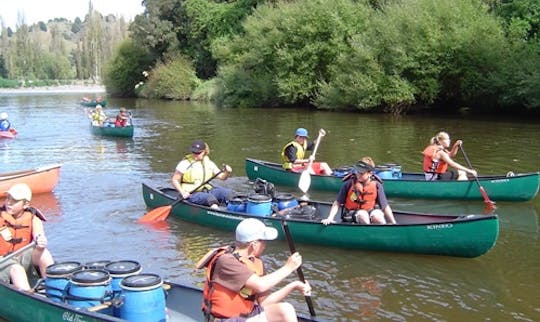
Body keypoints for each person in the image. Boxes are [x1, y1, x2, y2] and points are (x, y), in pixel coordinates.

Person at [197, 218, 311, 322]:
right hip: (225, 320)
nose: (265, 245)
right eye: (263, 241)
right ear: (254, 244)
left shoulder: (255, 263)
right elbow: (260, 285)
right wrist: (288, 267)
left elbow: (265, 303)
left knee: (286, 309)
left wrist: (293, 286)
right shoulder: (227, 261)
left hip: (246, 316)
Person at [0, 183, 54, 291]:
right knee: (17, 270)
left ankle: (53, 289)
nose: (9, 203)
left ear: (25, 204)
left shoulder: (33, 219)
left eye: (14, 200)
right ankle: (29, 299)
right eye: (8, 198)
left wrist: (40, 242)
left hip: (22, 256)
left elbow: (39, 234)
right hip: (3, 260)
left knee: (44, 254)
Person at [322, 157, 396, 225]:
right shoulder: (348, 184)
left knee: (377, 215)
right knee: (362, 215)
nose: (358, 175)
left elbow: (385, 206)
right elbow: (337, 203)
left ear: (370, 173)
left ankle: (382, 232)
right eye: (357, 172)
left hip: (369, 211)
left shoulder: (377, 185)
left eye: (362, 173)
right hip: (351, 214)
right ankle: (368, 232)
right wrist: (330, 218)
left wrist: (394, 223)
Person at [172, 139, 233, 208]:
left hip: (206, 190)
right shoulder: (184, 163)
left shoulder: (209, 163)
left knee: (226, 193)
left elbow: (222, 177)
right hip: (191, 193)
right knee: (210, 198)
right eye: (193, 152)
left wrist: (227, 172)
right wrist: (182, 192)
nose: (195, 155)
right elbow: (175, 180)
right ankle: (216, 213)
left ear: (204, 152)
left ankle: (233, 210)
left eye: (198, 153)